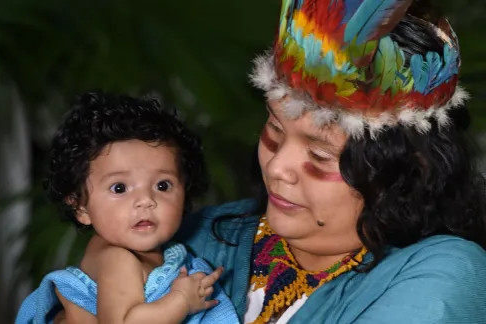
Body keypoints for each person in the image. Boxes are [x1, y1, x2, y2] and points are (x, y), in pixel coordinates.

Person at [56, 0, 486, 323]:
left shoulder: (445, 272)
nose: (278, 167)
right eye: (273, 132)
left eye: (319, 156)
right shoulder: (203, 233)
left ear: (406, 170)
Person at [15, 92, 241, 324]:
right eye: (120, 188)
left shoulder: (159, 250)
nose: (145, 200)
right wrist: (181, 300)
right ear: (81, 207)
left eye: (162, 185)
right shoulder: (118, 258)